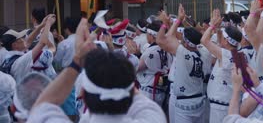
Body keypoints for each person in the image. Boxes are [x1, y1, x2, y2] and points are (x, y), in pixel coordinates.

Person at [28, 17, 167, 123]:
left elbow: (41, 106)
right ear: (129, 92)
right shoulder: (152, 117)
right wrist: (115, 62)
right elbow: (131, 89)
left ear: (82, 93)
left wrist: (77, 61)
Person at [157, 4, 209, 123]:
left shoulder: (183, 53)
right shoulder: (205, 52)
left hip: (184, 102)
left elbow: (165, 38)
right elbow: (199, 37)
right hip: (199, 100)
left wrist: (175, 21)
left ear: (185, 42)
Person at [202, 9, 243, 123]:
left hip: (220, 106)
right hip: (226, 104)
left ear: (226, 40)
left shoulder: (226, 54)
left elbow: (204, 40)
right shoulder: (237, 54)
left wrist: (212, 26)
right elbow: (221, 43)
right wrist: (219, 29)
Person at [1, 15, 57, 81]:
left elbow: (28, 41)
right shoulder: (23, 60)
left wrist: (42, 25)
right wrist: (48, 24)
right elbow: (44, 44)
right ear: (15, 45)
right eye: (20, 38)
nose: (23, 39)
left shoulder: (8, 56)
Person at [137, 21, 173, 106]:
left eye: (147, 34)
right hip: (161, 91)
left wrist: (134, 55)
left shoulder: (151, 50)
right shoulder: (167, 49)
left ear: (152, 35)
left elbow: (137, 68)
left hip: (148, 92)